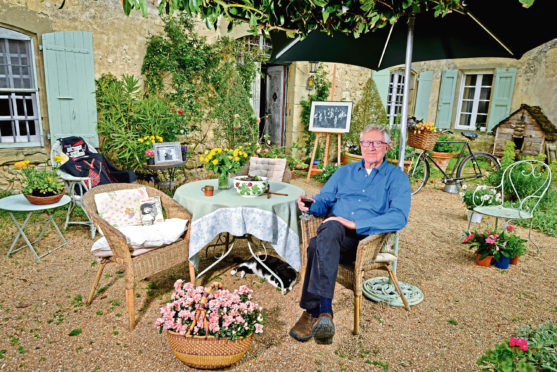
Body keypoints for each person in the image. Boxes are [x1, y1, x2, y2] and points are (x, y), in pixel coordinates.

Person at [290, 124, 411, 345]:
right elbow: (325, 200)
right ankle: (325, 313)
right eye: (366, 142)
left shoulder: (397, 178)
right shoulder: (344, 172)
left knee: (317, 244)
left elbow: (398, 217)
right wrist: (310, 204)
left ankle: (313, 312)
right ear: (361, 145)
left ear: (387, 147)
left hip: (364, 242)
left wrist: (355, 223)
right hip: (334, 234)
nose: (371, 147)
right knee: (329, 230)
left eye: (377, 143)